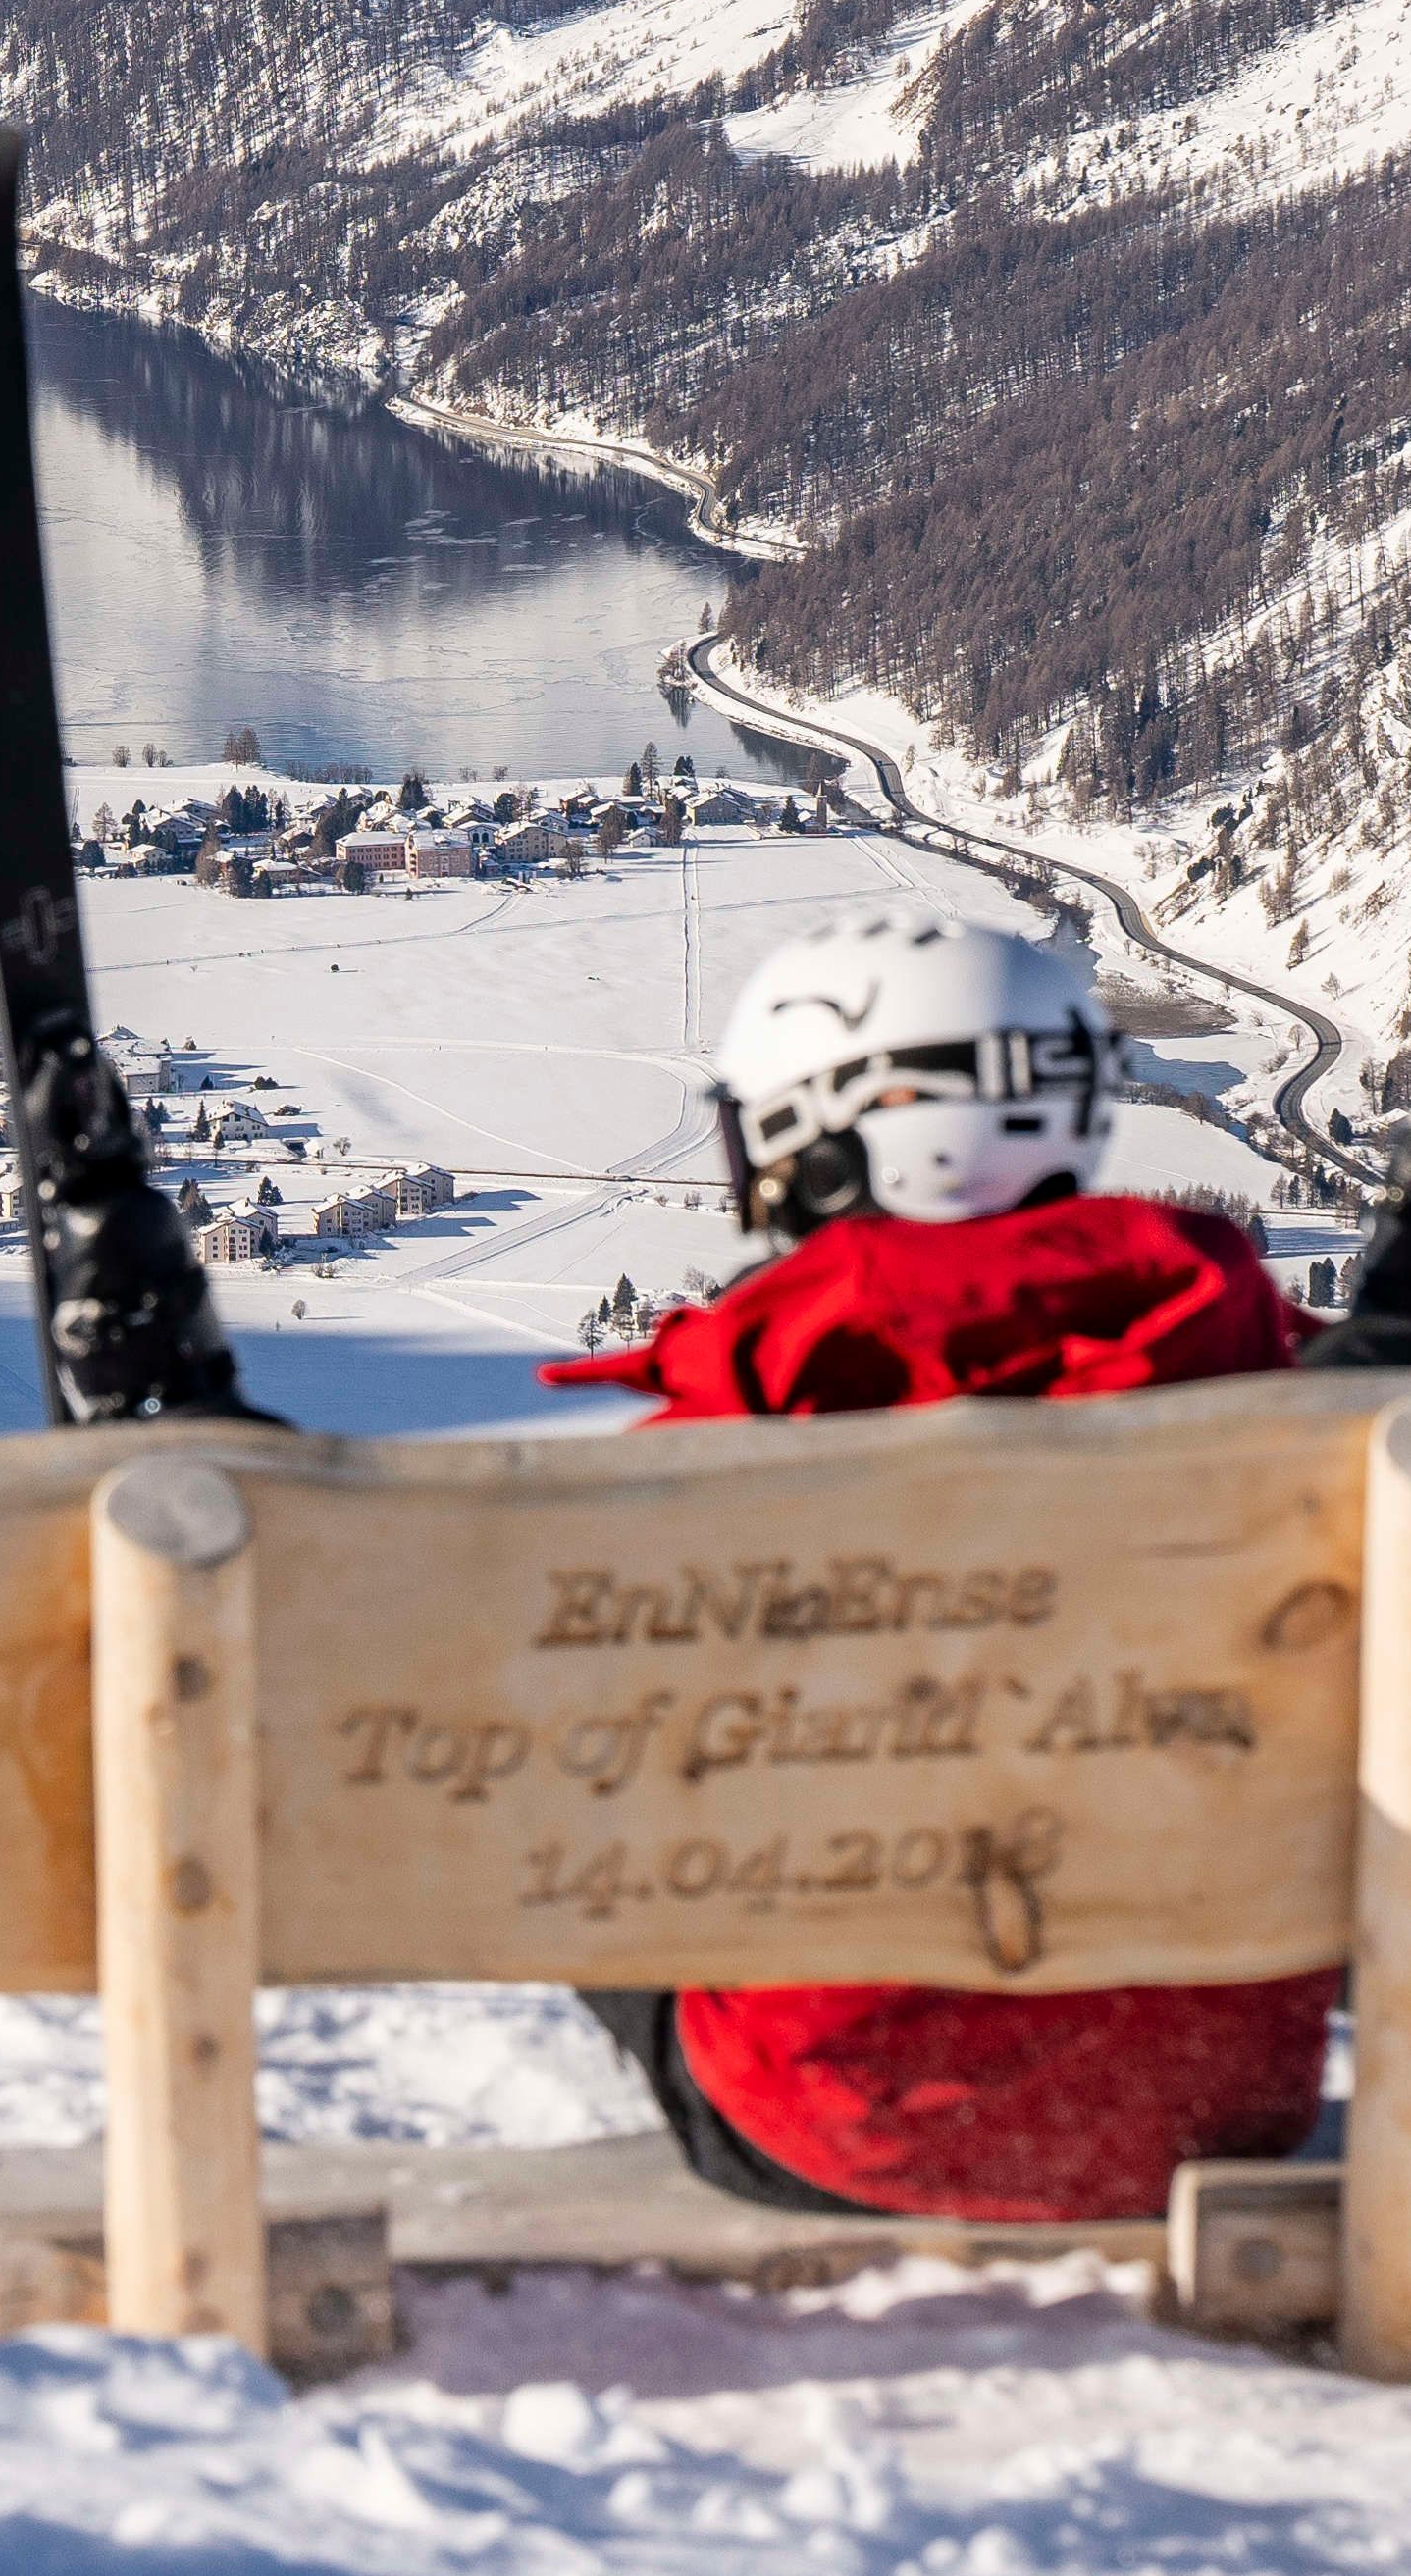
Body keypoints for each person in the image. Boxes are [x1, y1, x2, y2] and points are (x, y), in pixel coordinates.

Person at [541, 906, 1340, 2220]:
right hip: (1221, 2103)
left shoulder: (715, 1452)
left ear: (818, 1137)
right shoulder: (1291, 1402)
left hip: (829, 2127)